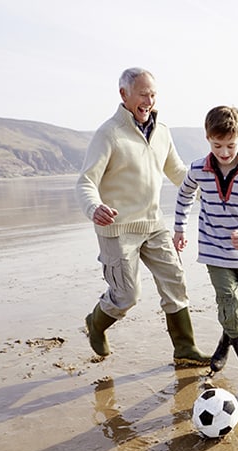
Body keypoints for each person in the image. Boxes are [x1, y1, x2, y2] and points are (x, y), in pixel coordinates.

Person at [76, 67, 210, 367]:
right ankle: (96, 323)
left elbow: (177, 172)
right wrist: (93, 207)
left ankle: (185, 348)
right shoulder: (109, 133)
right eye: (142, 94)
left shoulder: (162, 132)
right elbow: (86, 181)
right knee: (127, 296)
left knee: (175, 281)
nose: (148, 100)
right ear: (124, 94)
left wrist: (211, 194)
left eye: (152, 94)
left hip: (153, 224)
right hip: (117, 228)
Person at [173, 106, 238, 399]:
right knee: (231, 305)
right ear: (207, 139)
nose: (224, 152)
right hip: (214, 252)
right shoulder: (198, 169)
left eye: (230, 145)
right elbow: (183, 196)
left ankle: (222, 347)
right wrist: (180, 228)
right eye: (217, 145)